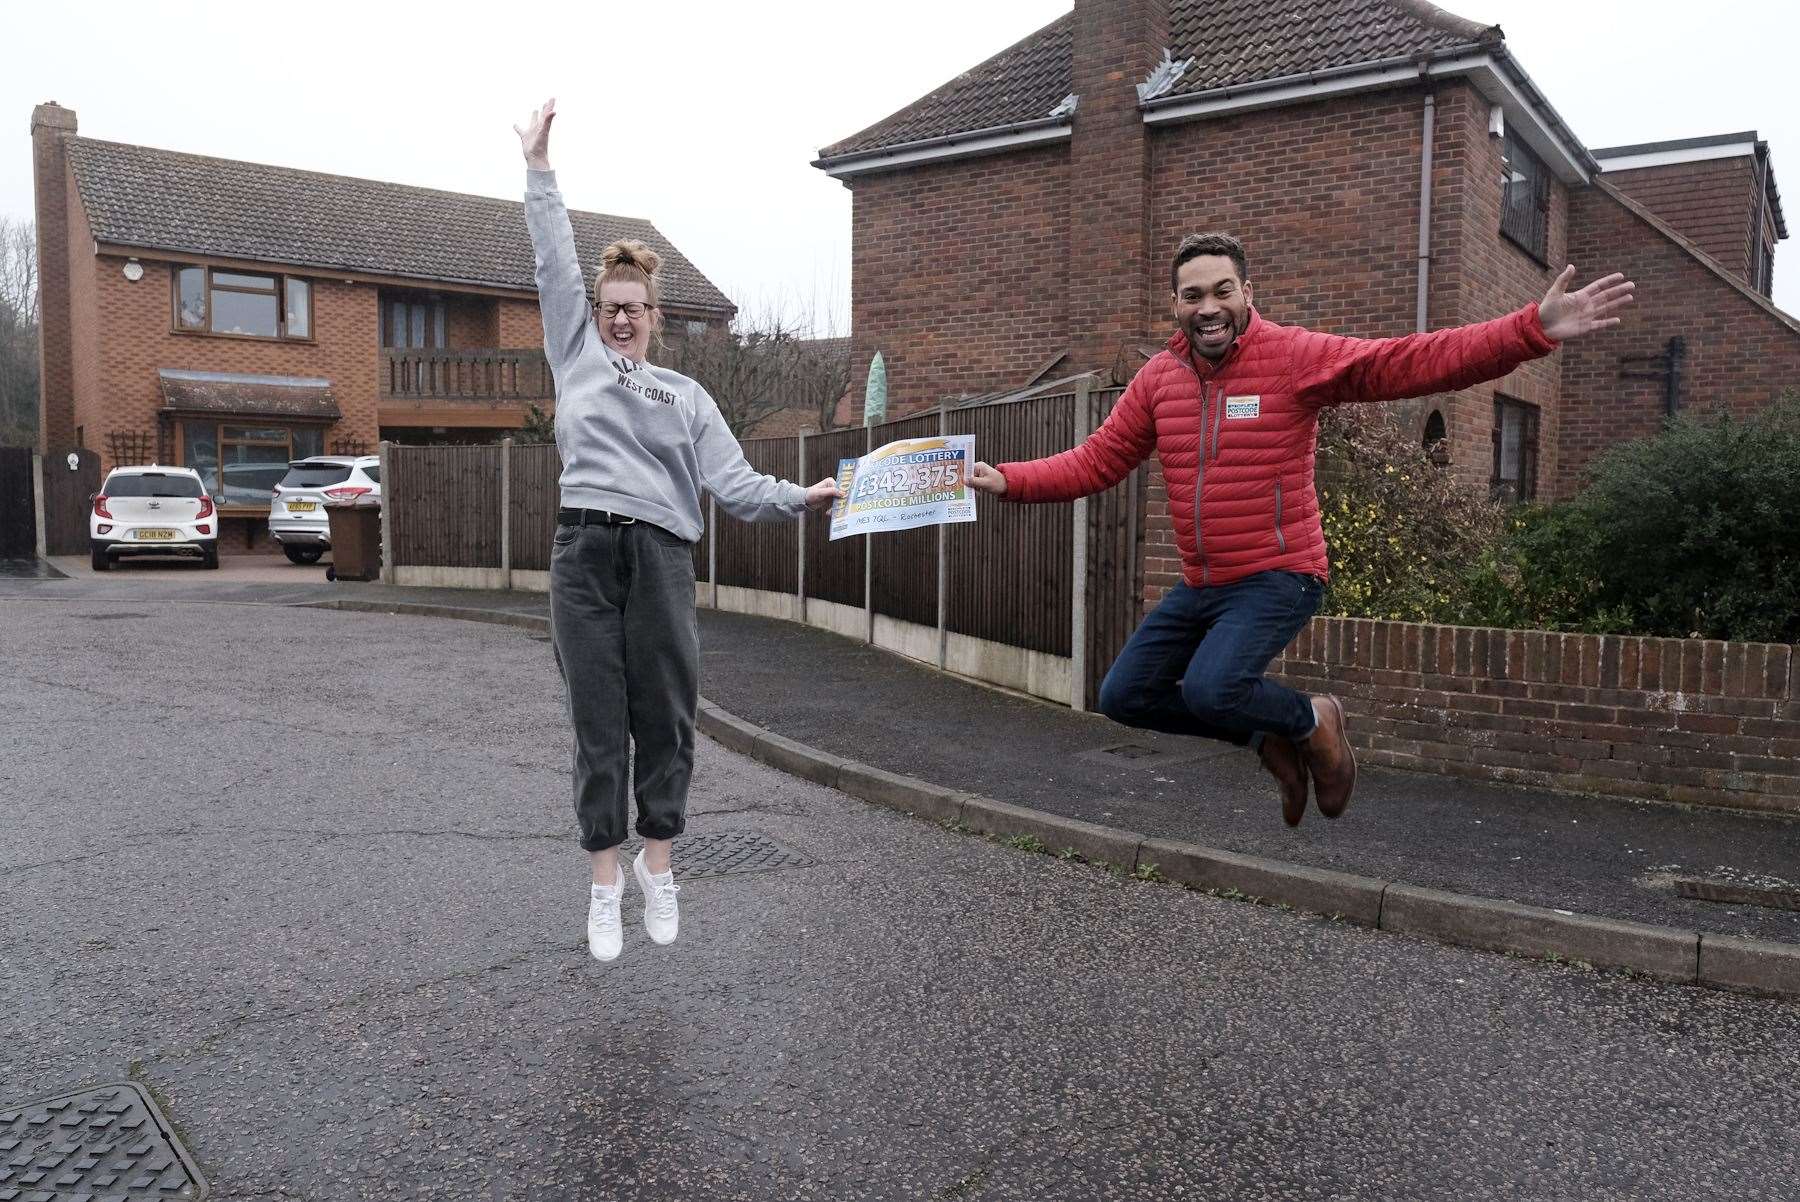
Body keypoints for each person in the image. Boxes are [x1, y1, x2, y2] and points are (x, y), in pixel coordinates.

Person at [967, 232, 1633, 827]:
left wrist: (1530, 330)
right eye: (1192, 295)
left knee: (1209, 688)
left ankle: (1315, 720)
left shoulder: (1291, 357)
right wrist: (1012, 480)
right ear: (1175, 304)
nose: (1208, 307)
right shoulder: (1158, 381)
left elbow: (1406, 361)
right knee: (1125, 695)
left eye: (1222, 291)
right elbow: (1098, 459)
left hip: (1280, 576)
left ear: (1246, 293)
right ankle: (1273, 737)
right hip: (1204, 585)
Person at [515, 98, 843, 962]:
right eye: (609, 305)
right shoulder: (576, 355)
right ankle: (604, 882)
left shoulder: (687, 398)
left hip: (660, 556)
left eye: (636, 307)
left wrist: (799, 499)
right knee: (597, 721)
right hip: (584, 552)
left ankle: (659, 863)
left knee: (664, 716)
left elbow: (734, 485)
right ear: (595, 311)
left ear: (657, 317)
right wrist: (540, 170)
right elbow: (550, 259)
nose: (621, 317)